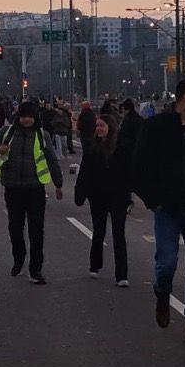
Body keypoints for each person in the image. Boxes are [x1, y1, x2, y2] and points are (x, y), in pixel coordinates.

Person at [131, 78, 185, 346]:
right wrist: (153, 200)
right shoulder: (157, 127)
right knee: (166, 265)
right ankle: (162, 294)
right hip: (167, 208)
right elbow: (140, 166)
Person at [0, 100, 64, 285]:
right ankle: (18, 259)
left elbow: (52, 160)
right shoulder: (8, 132)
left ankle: (36, 269)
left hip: (35, 189)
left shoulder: (42, 136)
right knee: (15, 228)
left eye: (30, 116)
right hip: (13, 189)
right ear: (19, 117)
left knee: (37, 231)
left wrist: (58, 184)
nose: (27, 120)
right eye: (24, 116)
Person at [74, 114, 129, 286]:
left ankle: (122, 275)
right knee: (98, 231)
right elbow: (84, 172)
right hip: (97, 195)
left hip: (117, 196)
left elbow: (128, 173)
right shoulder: (92, 148)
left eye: (102, 125)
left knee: (118, 234)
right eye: (97, 126)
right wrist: (80, 194)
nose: (98, 128)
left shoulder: (120, 147)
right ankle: (95, 265)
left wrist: (129, 195)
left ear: (110, 127)